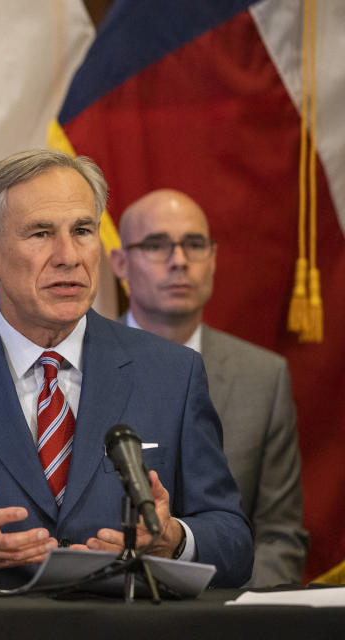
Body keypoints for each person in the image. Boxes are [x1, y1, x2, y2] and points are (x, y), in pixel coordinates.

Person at [0, 149, 252, 589]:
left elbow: (233, 543)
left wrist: (173, 540)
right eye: (40, 233)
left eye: (82, 231)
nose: (68, 256)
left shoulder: (174, 375)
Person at [109, 188, 308, 586]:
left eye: (194, 245)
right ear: (120, 263)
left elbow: (279, 537)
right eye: (156, 245)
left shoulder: (263, 377)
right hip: (102, 604)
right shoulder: (77, 363)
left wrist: (223, 616)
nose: (179, 262)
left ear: (213, 259)